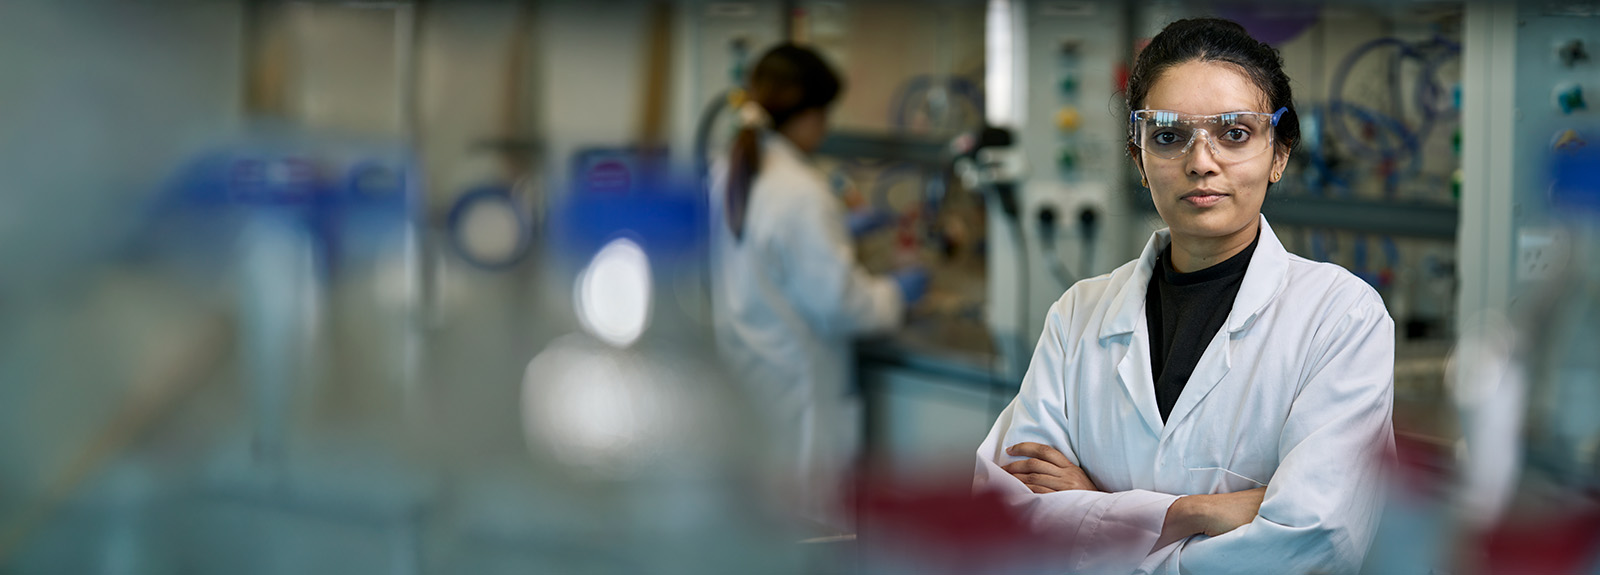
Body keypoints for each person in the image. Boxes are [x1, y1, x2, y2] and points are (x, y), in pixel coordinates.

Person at [973, 18, 1395, 574]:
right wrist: (1195, 512)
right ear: (1139, 159)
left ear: (1280, 154)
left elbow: (1318, 539)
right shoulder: (1078, 314)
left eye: (1235, 134)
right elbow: (1001, 512)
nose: (1201, 161)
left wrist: (1097, 512)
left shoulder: (1340, 317)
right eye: (1169, 136)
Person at [709, 44, 927, 532]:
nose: (826, 128)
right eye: (824, 113)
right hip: (798, 393)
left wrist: (840, 233)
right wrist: (897, 292)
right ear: (806, 114)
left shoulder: (733, 168)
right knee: (801, 532)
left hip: (752, 370)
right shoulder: (801, 191)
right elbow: (841, 305)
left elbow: (764, 252)